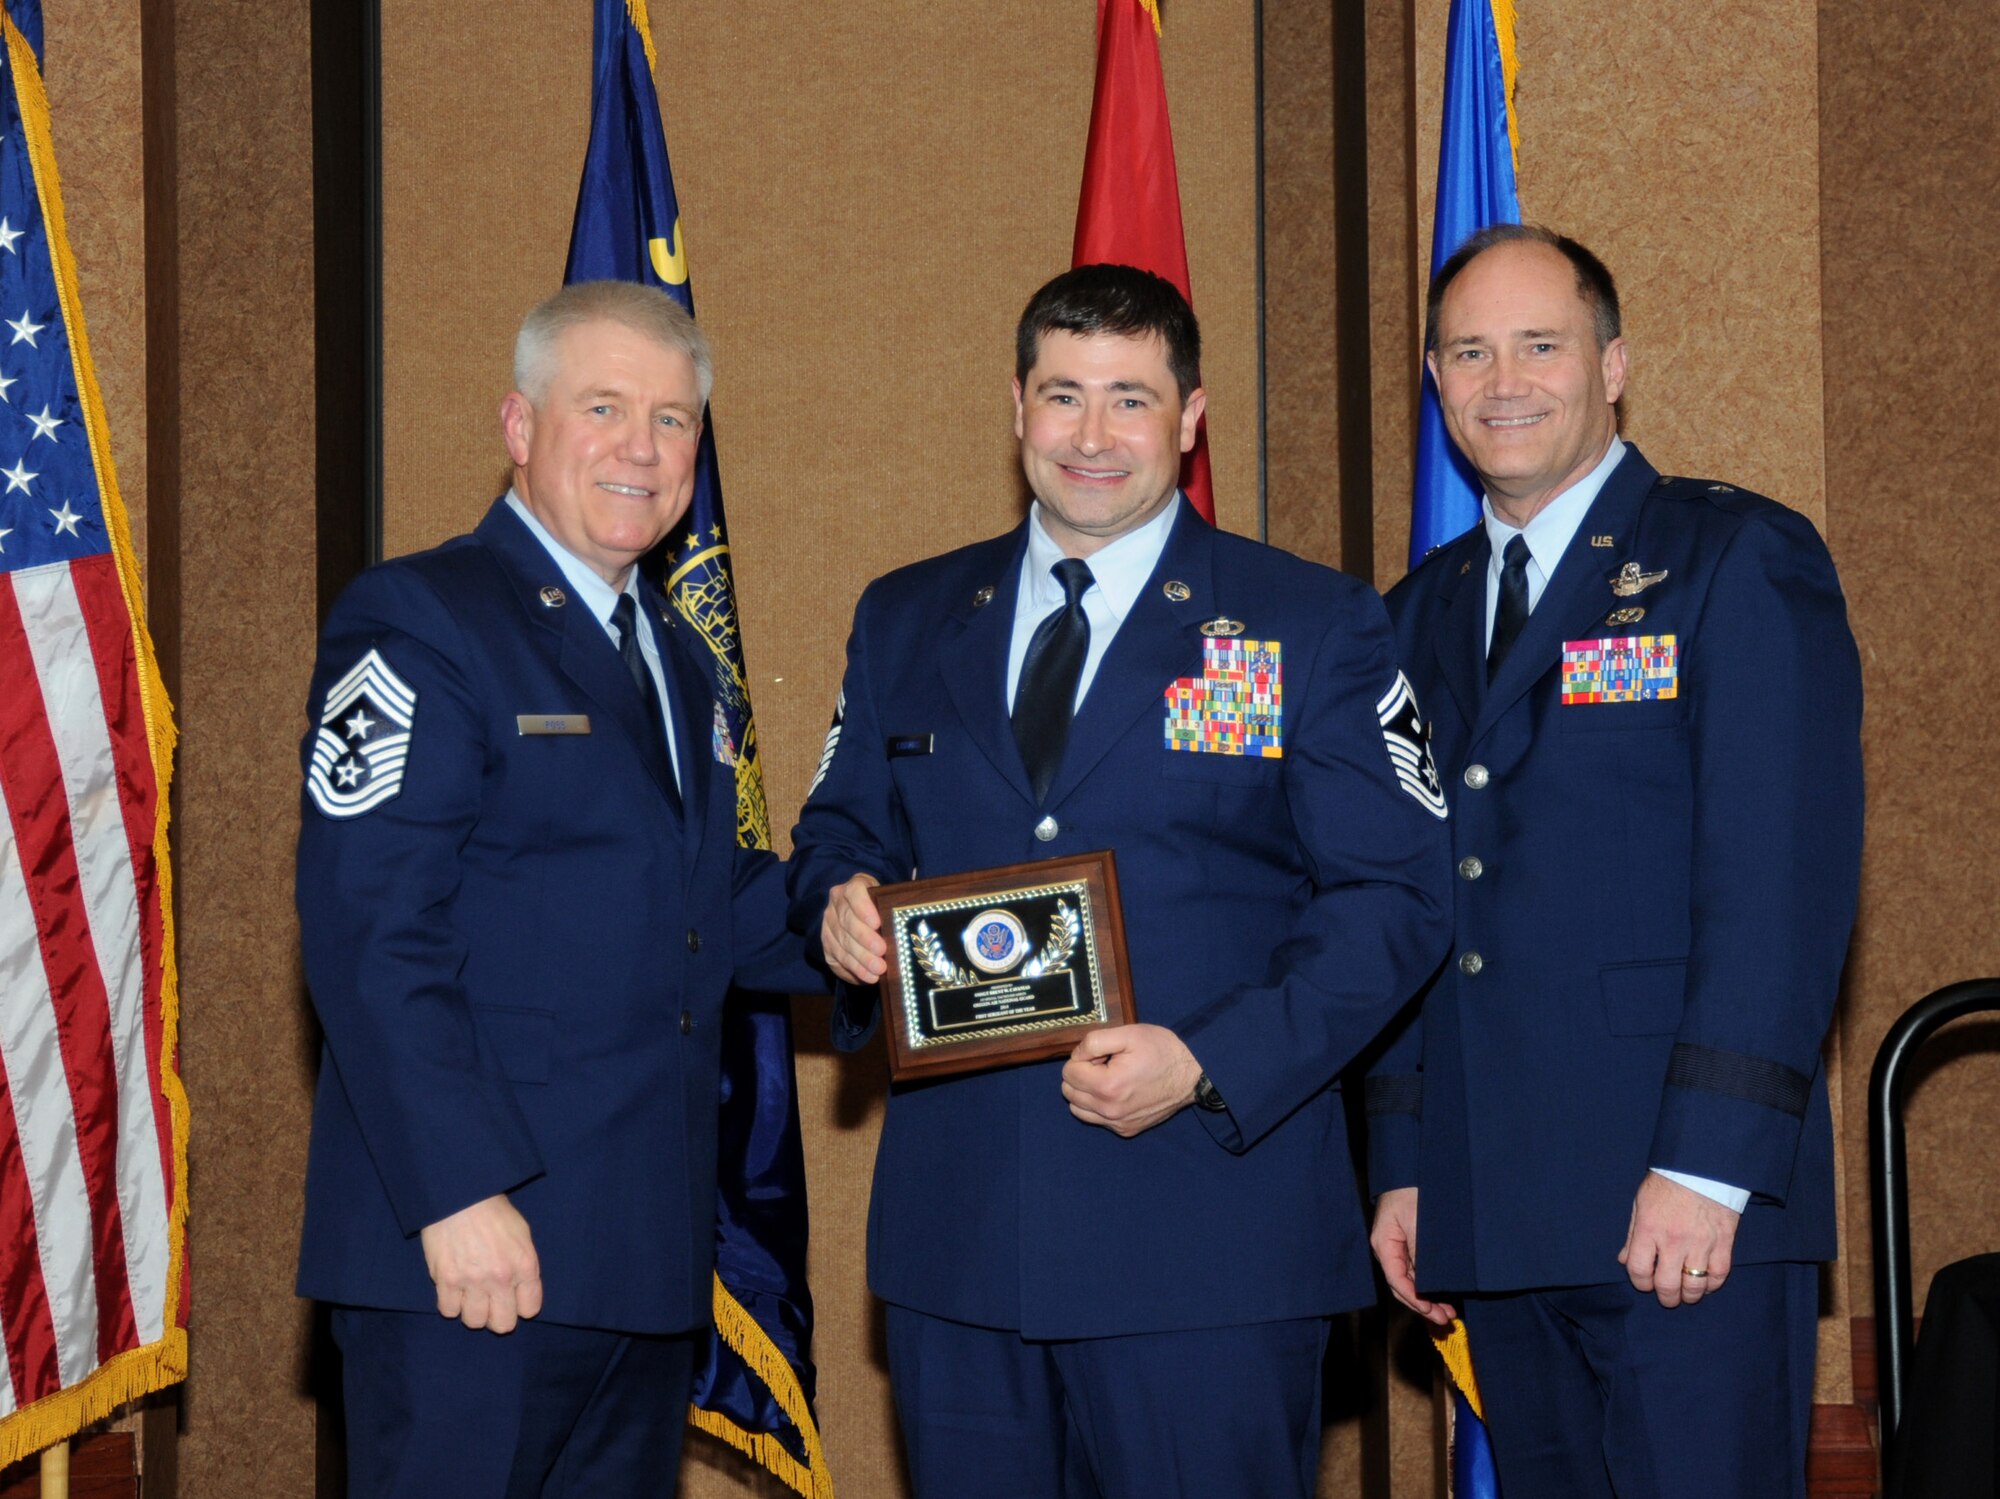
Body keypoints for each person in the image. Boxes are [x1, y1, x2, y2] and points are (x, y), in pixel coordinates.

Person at [790, 263, 1453, 1499]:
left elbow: (1396, 898)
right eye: (1063, 395)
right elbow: (836, 830)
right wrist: (836, 902)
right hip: (964, 1245)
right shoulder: (906, 615)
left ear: (1188, 417)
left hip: (1206, 1237)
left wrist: (1210, 1058)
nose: (1092, 437)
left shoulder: (1309, 624)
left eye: (1130, 399)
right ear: (1016, 406)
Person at [294, 280, 819, 1498]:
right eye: (604, 408)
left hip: (634, 1258)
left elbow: (714, 909)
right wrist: (456, 1188)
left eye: (675, 419)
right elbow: (372, 930)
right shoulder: (422, 617)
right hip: (469, 1256)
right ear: (519, 426)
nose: (643, 447)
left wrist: (878, 929)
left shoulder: (676, 660)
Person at [1366, 224, 1863, 1499]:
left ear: (1613, 363)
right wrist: (1408, 1161)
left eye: (1541, 344)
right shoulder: (1411, 613)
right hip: (1495, 1198)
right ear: (1435, 383)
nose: (1504, 380)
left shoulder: (1729, 558)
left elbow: (1778, 887)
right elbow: (1412, 900)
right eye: (1468, 352)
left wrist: (1706, 1164)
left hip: (1679, 1202)